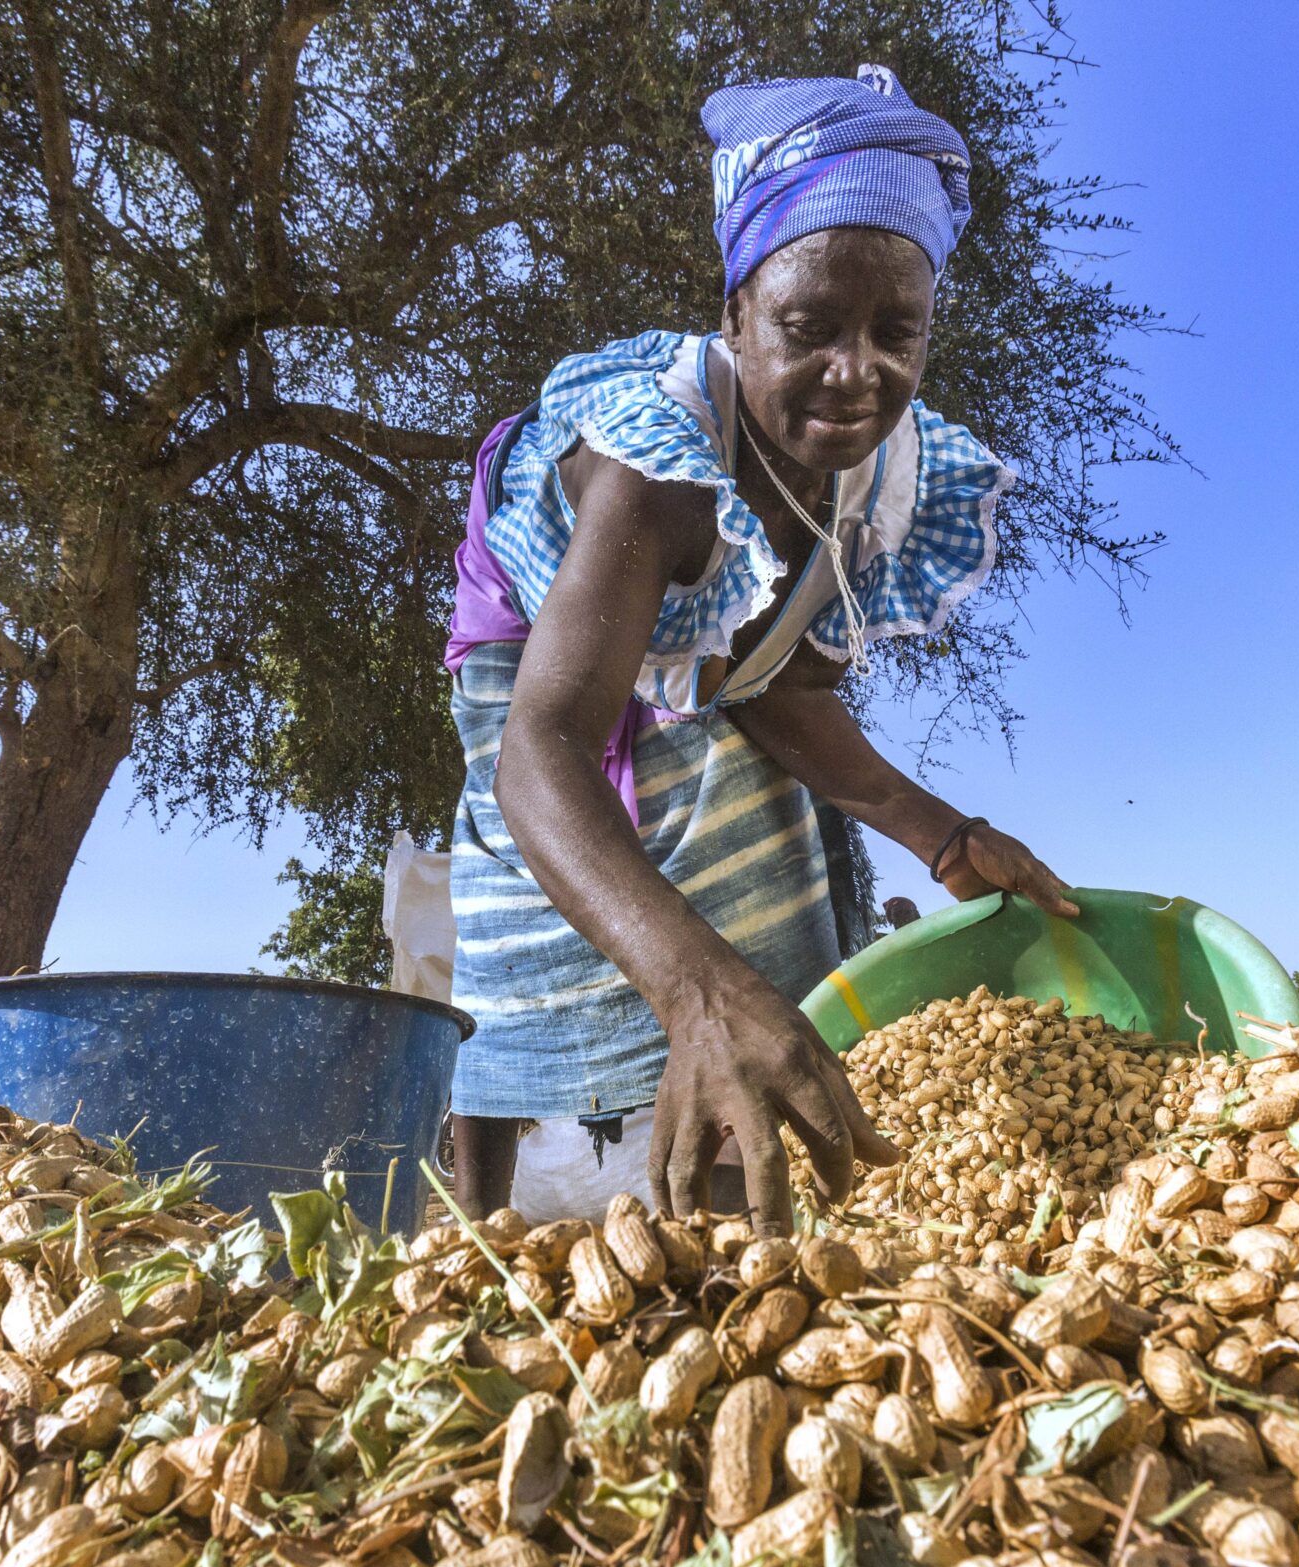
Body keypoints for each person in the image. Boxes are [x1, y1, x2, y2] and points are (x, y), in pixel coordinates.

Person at [441, 67, 1077, 1234]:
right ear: (736, 315)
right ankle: (517, 1225)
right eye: (806, 327)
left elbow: (770, 679)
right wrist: (695, 988)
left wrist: (943, 835)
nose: (857, 372)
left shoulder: (886, 471)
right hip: (554, 700)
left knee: (776, 898)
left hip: (689, 697)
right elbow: (542, 749)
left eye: (898, 332)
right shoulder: (654, 466)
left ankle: (746, 1223)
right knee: (627, 967)